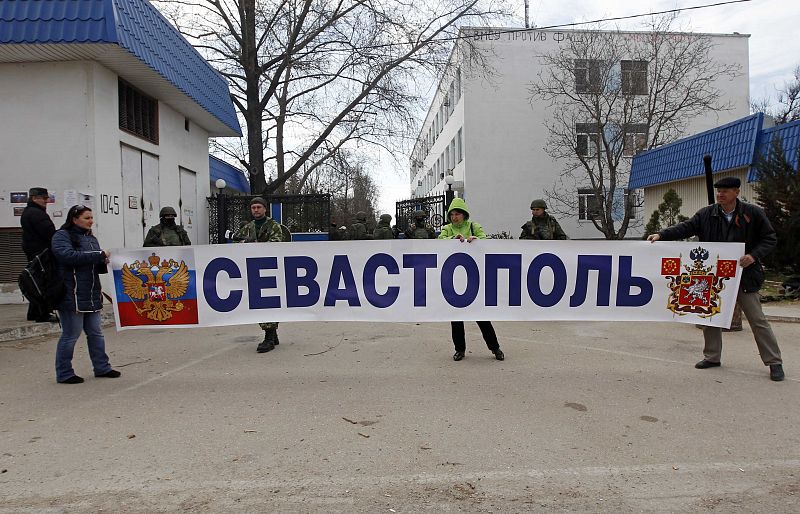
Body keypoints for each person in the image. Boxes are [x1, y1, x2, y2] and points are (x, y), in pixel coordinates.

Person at [647, 177, 785, 381]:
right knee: (710, 314)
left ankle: (774, 362)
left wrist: (753, 256)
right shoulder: (707, 214)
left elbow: (769, 238)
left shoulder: (752, 213)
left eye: (725, 191)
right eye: (718, 191)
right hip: (714, 276)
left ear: (736, 192)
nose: (720, 195)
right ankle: (712, 356)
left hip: (744, 275)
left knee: (757, 320)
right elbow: (686, 227)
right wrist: (661, 234)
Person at [51, 205, 120, 384]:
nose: (91, 221)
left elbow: (95, 265)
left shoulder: (91, 238)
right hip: (71, 295)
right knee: (71, 335)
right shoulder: (62, 236)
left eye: (91, 218)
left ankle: (102, 367)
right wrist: (98, 255)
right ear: (75, 219)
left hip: (91, 293)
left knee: (96, 333)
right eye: (87, 218)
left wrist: (105, 261)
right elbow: (68, 257)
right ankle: (64, 373)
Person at [438, 198, 504, 362]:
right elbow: (439, 242)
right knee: (456, 318)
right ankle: (459, 350)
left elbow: (484, 241)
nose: (455, 217)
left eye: (458, 213)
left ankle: (495, 348)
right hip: (454, 279)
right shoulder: (446, 229)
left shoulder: (474, 226)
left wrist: (475, 240)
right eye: (452, 214)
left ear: (464, 214)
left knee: (481, 316)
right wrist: (453, 239)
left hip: (474, 279)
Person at [232, 197, 286, 353]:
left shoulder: (274, 226)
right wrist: (243, 243)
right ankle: (272, 334)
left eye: (258, 207)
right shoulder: (247, 228)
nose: (256, 210)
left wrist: (255, 245)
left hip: (270, 269)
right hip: (253, 269)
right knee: (258, 301)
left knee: (269, 301)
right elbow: (235, 243)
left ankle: (269, 336)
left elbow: (276, 244)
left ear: (265, 209)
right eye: (253, 207)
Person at [20, 187, 58, 322]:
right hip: (41, 253)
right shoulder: (37, 214)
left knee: (36, 281)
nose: (46, 201)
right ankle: (43, 313)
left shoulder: (29, 212)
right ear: (34, 198)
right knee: (44, 282)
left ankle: (34, 312)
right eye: (44, 198)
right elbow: (49, 233)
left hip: (35, 252)